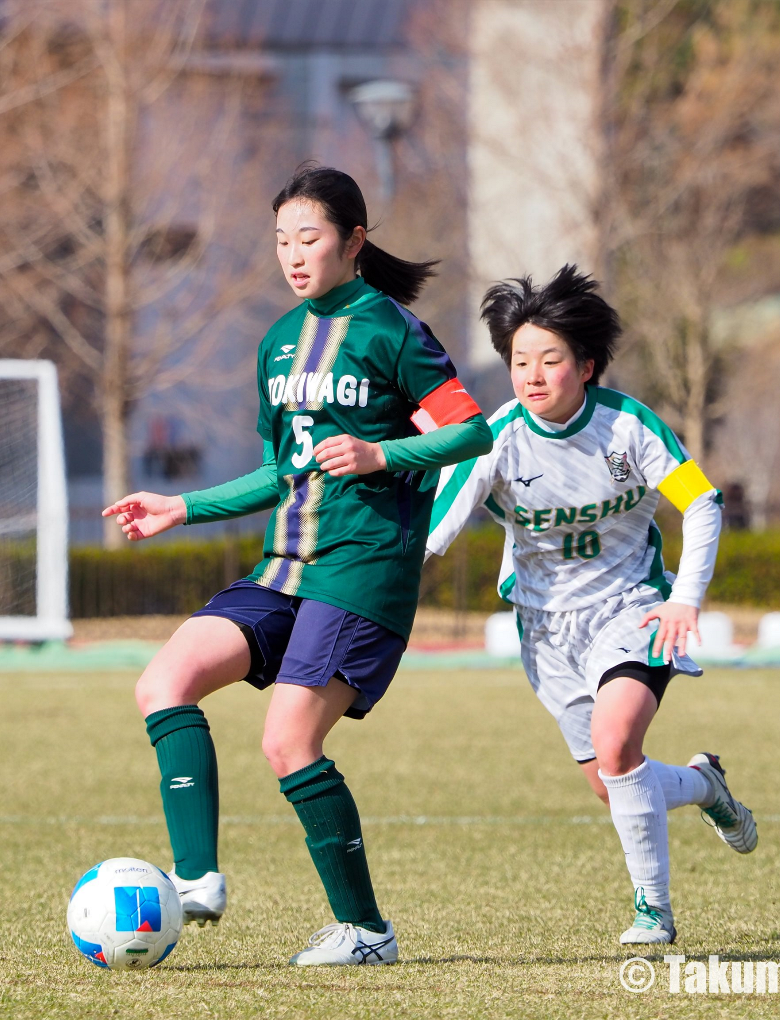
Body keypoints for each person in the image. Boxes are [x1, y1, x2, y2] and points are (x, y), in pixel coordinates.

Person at [102, 165, 492, 966]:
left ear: (353, 242)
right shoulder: (278, 344)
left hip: (361, 568)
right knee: (164, 681)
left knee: (288, 743)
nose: (293, 253)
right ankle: (198, 879)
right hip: (286, 564)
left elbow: (470, 433)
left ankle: (366, 932)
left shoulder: (392, 331)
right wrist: (185, 507)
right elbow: (286, 470)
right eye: (281, 239)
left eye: (309, 237)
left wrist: (383, 452)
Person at [425, 266, 757, 945]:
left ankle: (652, 912)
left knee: (616, 743)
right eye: (520, 361)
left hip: (631, 609)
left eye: (549, 360)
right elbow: (432, 535)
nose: (532, 375)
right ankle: (703, 785)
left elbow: (703, 501)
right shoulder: (494, 439)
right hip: (546, 633)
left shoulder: (629, 427)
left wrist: (684, 599)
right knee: (616, 785)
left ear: (588, 364)